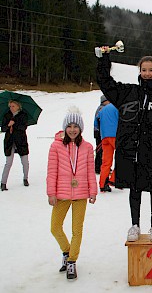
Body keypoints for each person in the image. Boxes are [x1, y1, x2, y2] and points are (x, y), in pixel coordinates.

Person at [96, 48, 152, 242]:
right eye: (144, 70)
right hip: (132, 153)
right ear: (139, 71)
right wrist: (104, 60)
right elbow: (106, 83)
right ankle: (135, 225)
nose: (147, 73)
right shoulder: (129, 92)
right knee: (135, 189)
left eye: (151, 70)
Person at [46, 107, 97, 280]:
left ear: (81, 128)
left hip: (81, 194)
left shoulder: (88, 147)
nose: (73, 129)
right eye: (70, 126)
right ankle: (66, 251)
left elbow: (91, 171)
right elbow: (52, 172)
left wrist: (93, 191)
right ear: (65, 127)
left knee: (77, 230)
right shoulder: (56, 146)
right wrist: (51, 193)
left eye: (76, 126)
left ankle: (72, 261)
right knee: (55, 227)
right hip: (61, 194)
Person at [1, 100, 29, 190]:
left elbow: (23, 127)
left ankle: (25, 178)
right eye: (10, 106)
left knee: (25, 162)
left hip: (21, 141)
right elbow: (3, 128)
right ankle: (3, 183)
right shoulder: (7, 115)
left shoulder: (23, 115)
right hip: (9, 142)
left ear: (18, 106)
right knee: (8, 163)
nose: (11, 108)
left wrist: (15, 123)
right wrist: (8, 125)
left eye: (13, 106)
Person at [94, 101, 119, 192]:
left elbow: (96, 121)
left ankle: (102, 184)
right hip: (116, 136)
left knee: (106, 161)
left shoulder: (103, 109)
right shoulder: (117, 107)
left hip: (104, 137)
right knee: (120, 158)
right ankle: (114, 180)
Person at [93, 95, 108, 174]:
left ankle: (100, 166)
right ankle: (98, 168)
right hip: (99, 132)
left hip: (100, 132)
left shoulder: (102, 108)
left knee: (102, 150)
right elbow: (99, 121)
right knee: (100, 150)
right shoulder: (102, 108)